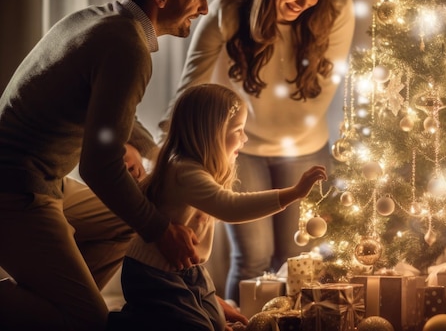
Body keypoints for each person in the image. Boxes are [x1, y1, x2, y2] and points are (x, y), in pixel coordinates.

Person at [0, 0, 219, 331]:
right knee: (89, 320)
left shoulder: (104, 21)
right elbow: (99, 167)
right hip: (16, 189)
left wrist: (157, 156)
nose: (204, 7)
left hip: (40, 180)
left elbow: (114, 111)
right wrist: (160, 231)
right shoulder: (128, 48)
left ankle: (55, 300)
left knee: (126, 222)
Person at [158, 0, 356, 305]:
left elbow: (325, 88)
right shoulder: (229, 10)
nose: (306, 2)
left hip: (306, 146)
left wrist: (292, 141)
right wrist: (164, 147)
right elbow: (191, 84)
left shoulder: (337, 7)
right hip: (242, 146)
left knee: (297, 262)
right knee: (253, 258)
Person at [112, 83, 327, 331]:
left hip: (189, 270)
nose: (244, 139)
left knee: (216, 322)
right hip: (156, 274)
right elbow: (230, 207)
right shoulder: (184, 171)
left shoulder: (195, 169)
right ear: (211, 133)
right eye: (238, 130)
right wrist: (295, 193)